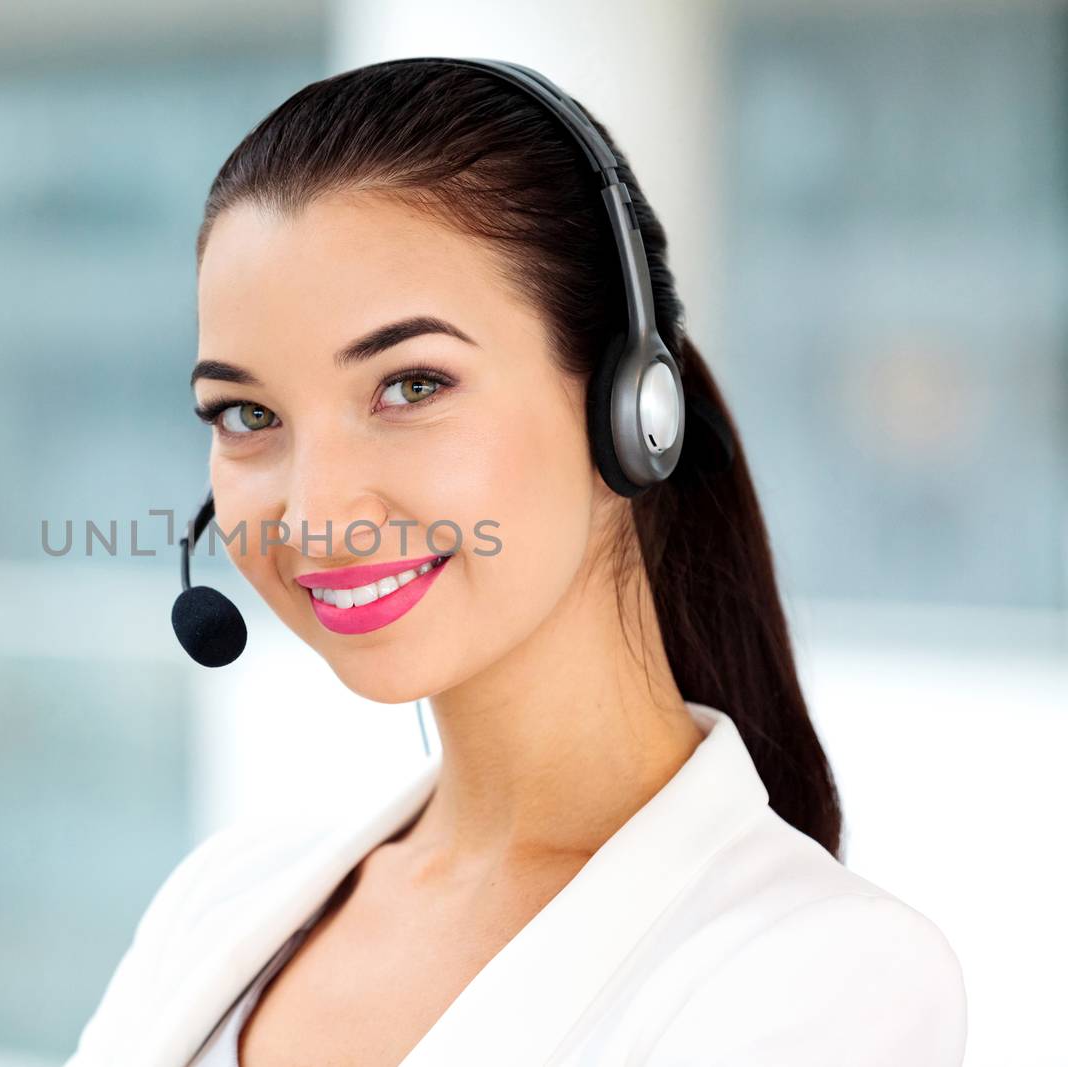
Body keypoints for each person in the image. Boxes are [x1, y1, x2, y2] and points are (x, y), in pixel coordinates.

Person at [66, 56, 967, 1066]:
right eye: (248, 414)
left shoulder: (822, 972)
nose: (315, 518)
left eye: (410, 385)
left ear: (631, 413)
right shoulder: (219, 899)